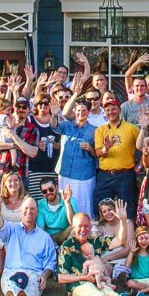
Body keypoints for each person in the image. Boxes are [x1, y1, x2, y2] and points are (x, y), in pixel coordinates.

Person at [57, 201, 144, 296]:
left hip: (98, 280)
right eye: (80, 226)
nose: (83, 229)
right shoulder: (67, 246)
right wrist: (84, 277)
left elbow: (120, 241)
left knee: (111, 294)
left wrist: (123, 221)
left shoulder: (95, 241)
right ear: (74, 228)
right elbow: (60, 277)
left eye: (86, 226)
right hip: (78, 285)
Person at [0, 192, 57, 296]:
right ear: (21, 211)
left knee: (31, 288)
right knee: (11, 286)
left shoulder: (45, 237)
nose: (28, 211)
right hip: (11, 271)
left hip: (34, 273)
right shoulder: (11, 229)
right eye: (26, 208)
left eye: (32, 208)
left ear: (37, 211)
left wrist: (45, 276)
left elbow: (51, 262)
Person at [94, 97, 141, 219]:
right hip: (105, 175)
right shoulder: (100, 130)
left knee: (127, 208)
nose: (111, 112)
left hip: (125, 175)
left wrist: (139, 165)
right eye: (107, 110)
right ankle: (103, 235)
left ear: (119, 110)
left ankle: (128, 234)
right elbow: (98, 153)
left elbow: (144, 147)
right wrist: (106, 148)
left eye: (113, 109)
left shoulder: (131, 128)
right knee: (101, 206)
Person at [58, 88, 98, 216]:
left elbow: (99, 154)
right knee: (66, 204)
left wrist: (91, 149)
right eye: (78, 110)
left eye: (84, 111)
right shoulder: (68, 126)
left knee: (83, 205)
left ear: (89, 112)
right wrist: (54, 115)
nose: (81, 113)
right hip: (65, 172)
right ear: (75, 111)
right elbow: (54, 126)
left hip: (84, 175)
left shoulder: (94, 130)